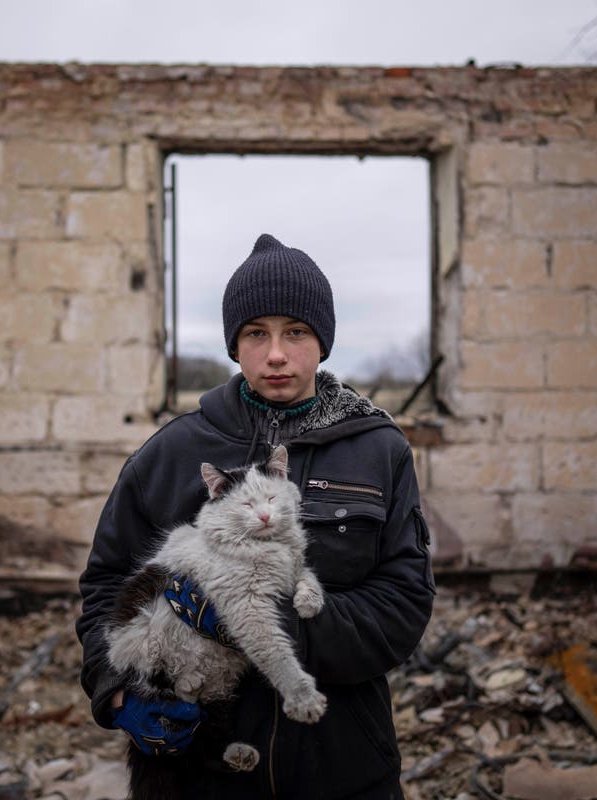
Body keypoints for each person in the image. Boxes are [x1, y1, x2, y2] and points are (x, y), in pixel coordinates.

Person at [75, 233, 435, 799]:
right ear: (234, 345)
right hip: (197, 770)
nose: (275, 353)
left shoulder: (378, 450)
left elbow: (403, 602)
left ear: (323, 341)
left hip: (338, 764)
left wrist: (266, 624)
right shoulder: (170, 454)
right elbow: (105, 581)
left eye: (295, 332)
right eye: (254, 333)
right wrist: (116, 689)